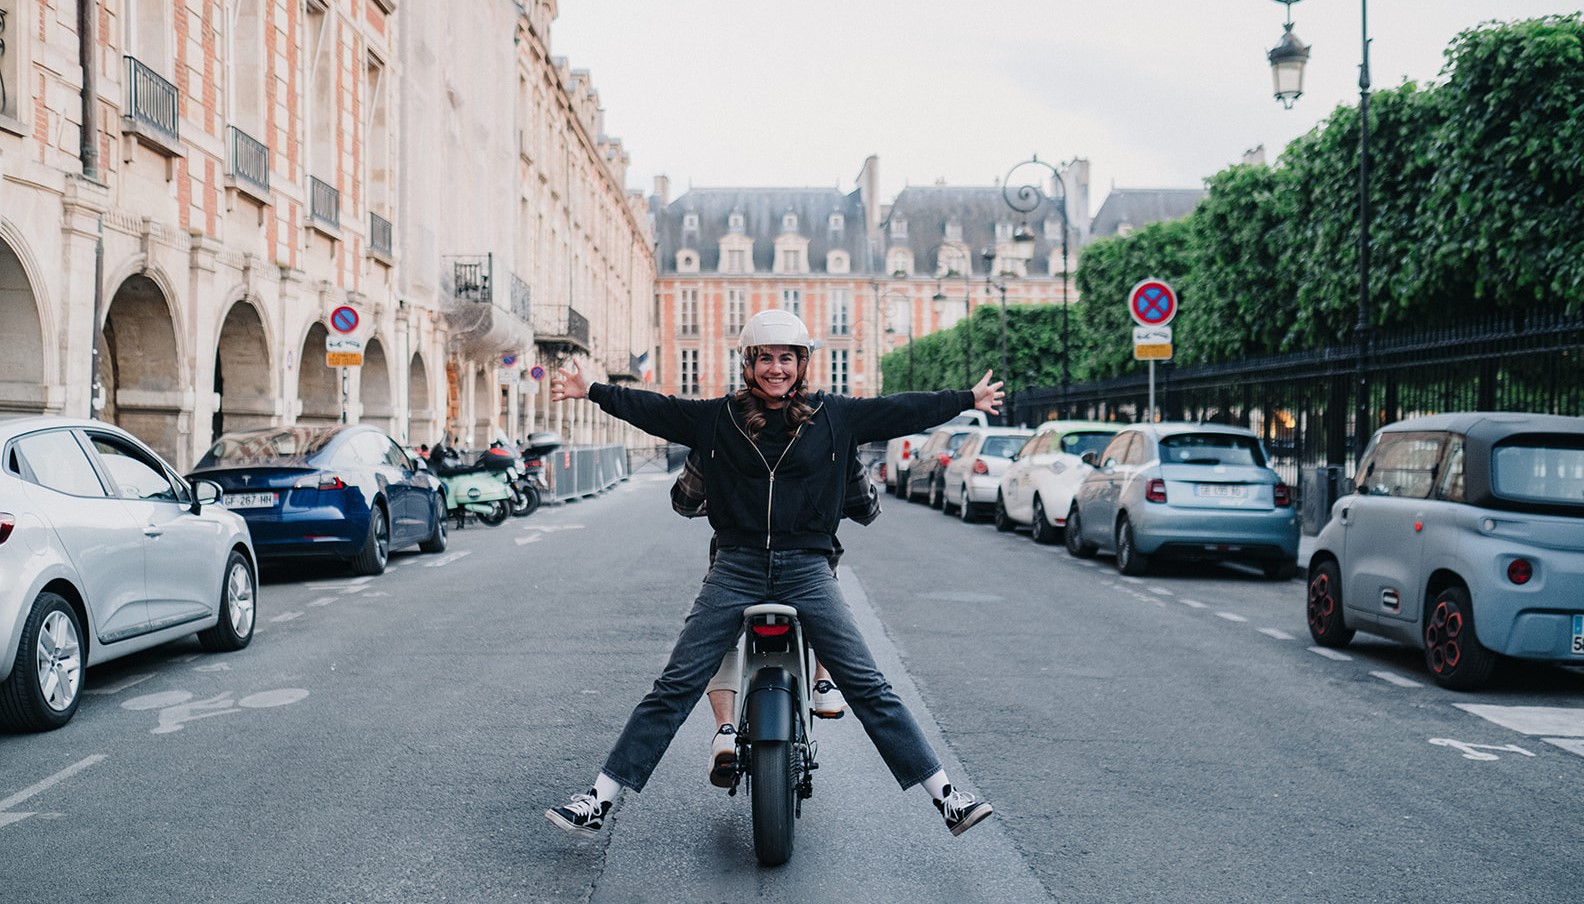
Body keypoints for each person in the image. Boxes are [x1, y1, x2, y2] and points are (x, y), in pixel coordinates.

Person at [545, 309, 1002, 839]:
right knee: (675, 684)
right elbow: (655, 409)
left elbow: (899, 410)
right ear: (750, 362)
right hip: (736, 565)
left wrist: (965, 399)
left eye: (787, 358)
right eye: (766, 358)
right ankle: (599, 799)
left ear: (803, 363)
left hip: (807, 567)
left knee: (869, 684)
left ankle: (946, 797)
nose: (776, 368)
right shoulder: (717, 418)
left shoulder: (838, 417)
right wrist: (593, 389)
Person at [671, 444, 880, 786]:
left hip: (737, 563)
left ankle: (724, 730)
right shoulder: (826, 427)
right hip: (808, 562)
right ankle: (822, 681)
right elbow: (865, 507)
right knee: (828, 608)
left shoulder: (724, 426)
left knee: (718, 635)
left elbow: (684, 500)